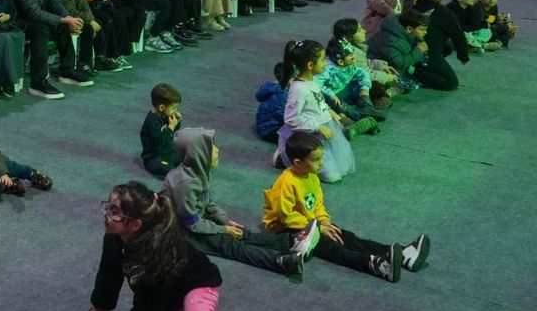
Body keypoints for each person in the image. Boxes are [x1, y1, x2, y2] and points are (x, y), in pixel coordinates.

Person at [263, 132, 429, 282]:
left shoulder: (311, 176)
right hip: (287, 230)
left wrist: (323, 221)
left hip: (310, 223)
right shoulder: (286, 184)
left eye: (321, 158)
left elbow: (317, 204)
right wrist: (317, 228)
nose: (321, 163)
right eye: (315, 160)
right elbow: (286, 217)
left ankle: (404, 255)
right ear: (298, 163)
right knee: (331, 247)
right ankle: (378, 266)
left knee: (344, 236)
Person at [164, 127, 311, 275]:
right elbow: (192, 224)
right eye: (212, 147)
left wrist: (225, 221)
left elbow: (207, 202)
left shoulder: (200, 172)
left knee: (240, 233)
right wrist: (223, 229)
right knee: (230, 245)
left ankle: (290, 242)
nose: (217, 150)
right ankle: (280, 261)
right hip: (184, 232)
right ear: (198, 153)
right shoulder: (185, 185)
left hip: (198, 220)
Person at [90, 181, 222, 311]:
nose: (106, 213)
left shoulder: (154, 253)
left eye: (114, 211)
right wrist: (99, 310)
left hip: (197, 283)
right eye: (107, 206)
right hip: (166, 291)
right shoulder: (113, 237)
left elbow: (150, 304)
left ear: (135, 225)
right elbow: (107, 278)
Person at [273, 40, 355, 183]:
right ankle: (283, 157)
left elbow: (318, 101)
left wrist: (330, 112)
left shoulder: (313, 80)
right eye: (323, 60)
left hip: (324, 130)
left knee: (341, 167)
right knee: (332, 176)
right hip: (310, 136)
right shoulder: (298, 90)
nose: (326, 63)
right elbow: (291, 119)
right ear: (310, 65)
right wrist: (318, 127)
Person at [13, 0, 85, 100]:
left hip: (36, 17)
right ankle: (38, 82)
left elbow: (55, 2)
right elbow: (33, 12)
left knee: (62, 24)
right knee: (41, 29)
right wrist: (63, 20)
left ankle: (67, 70)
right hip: (17, 21)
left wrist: (68, 18)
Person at [410, 0, 468, 91]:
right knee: (451, 83)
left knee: (447, 46)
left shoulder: (411, 9)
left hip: (410, 52)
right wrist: (463, 55)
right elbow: (458, 35)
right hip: (428, 53)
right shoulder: (444, 12)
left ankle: (417, 67)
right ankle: (413, 71)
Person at [140, 83, 181, 177]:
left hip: (167, 151)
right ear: (161, 107)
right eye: (173, 108)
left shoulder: (165, 115)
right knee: (167, 168)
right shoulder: (152, 122)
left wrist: (177, 122)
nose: (175, 110)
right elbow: (160, 142)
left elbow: (172, 133)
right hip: (154, 157)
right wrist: (171, 127)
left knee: (186, 154)